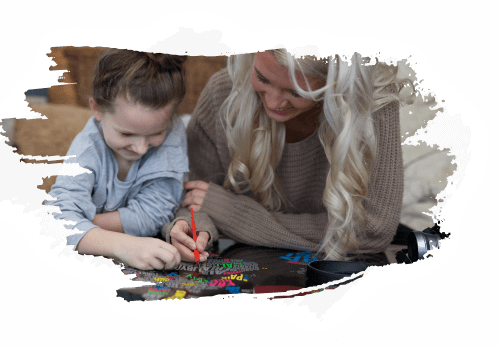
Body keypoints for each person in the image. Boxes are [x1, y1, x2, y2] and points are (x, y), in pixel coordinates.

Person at [164, 47, 413, 261]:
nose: (273, 103)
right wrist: (192, 227)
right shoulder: (223, 93)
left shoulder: (372, 103)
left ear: (334, 82)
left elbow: (372, 230)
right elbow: (195, 197)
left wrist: (239, 218)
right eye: (262, 78)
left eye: (296, 93)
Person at [45, 49, 208, 270]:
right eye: (126, 134)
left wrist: (81, 222)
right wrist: (123, 245)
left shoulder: (174, 133)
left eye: (155, 134)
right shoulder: (86, 149)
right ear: (97, 109)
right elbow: (54, 220)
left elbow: (155, 214)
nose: (140, 148)